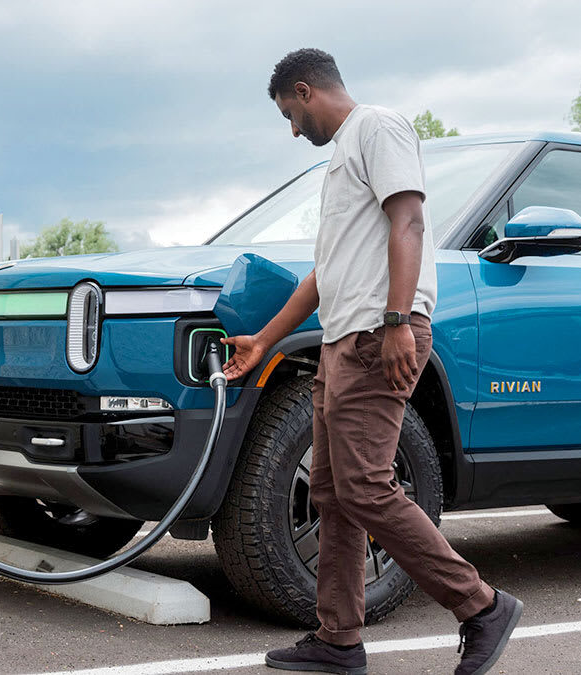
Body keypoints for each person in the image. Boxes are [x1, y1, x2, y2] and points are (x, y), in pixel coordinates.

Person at [221, 48, 523, 675]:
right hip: (343, 341)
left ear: (305, 90)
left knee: (364, 486)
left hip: (375, 336)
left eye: (289, 114)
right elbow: (323, 274)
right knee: (333, 494)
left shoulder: (378, 127)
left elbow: (408, 222)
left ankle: (481, 606)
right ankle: (338, 640)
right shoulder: (341, 162)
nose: (293, 130)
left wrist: (397, 320)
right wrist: (265, 341)